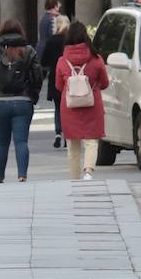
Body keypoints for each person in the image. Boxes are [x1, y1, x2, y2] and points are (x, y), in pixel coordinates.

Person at [0, 19, 43, 183]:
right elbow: (37, 76)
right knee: (21, 141)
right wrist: (33, 95)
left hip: (0, 101)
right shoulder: (29, 51)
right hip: (23, 100)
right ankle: (22, 175)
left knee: (1, 143)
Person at [54, 21, 109, 180]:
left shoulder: (62, 61)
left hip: (70, 108)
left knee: (73, 145)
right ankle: (88, 171)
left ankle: (74, 177)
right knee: (91, 141)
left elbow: (58, 86)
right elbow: (104, 83)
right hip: (92, 106)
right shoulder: (96, 59)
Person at [40, 14, 70, 148]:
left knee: (58, 107)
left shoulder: (52, 40)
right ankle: (67, 136)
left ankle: (58, 132)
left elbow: (44, 60)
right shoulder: (70, 40)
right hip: (70, 76)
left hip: (55, 77)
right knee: (69, 108)